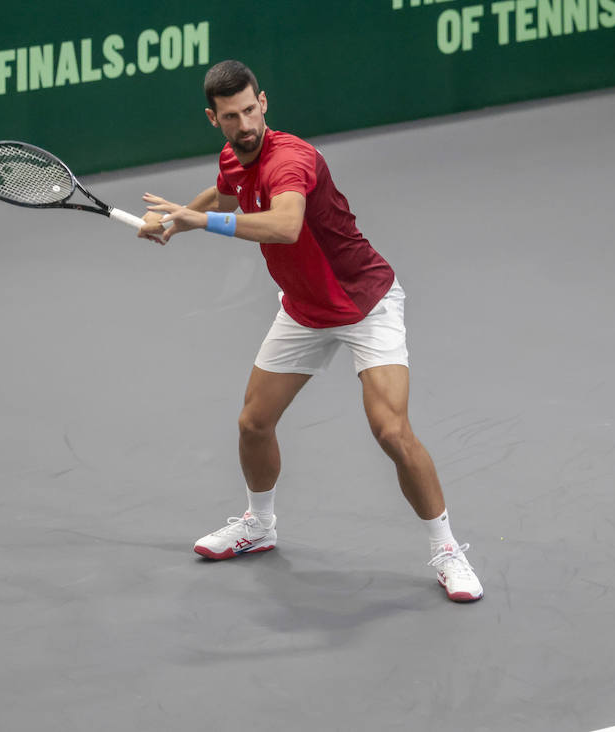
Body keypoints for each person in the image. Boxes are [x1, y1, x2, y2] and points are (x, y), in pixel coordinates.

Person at [137, 59, 482, 603]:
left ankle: (447, 550)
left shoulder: (291, 160)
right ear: (214, 119)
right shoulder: (232, 154)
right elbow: (225, 195)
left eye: (251, 110)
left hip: (365, 304)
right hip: (303, 309)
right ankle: (260, 525)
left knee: (390, 430)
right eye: (232, 116)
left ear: (264, 102)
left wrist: (198, 222)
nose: (245, 124)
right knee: (254, 423)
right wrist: (179, 216)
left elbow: (285, 224)